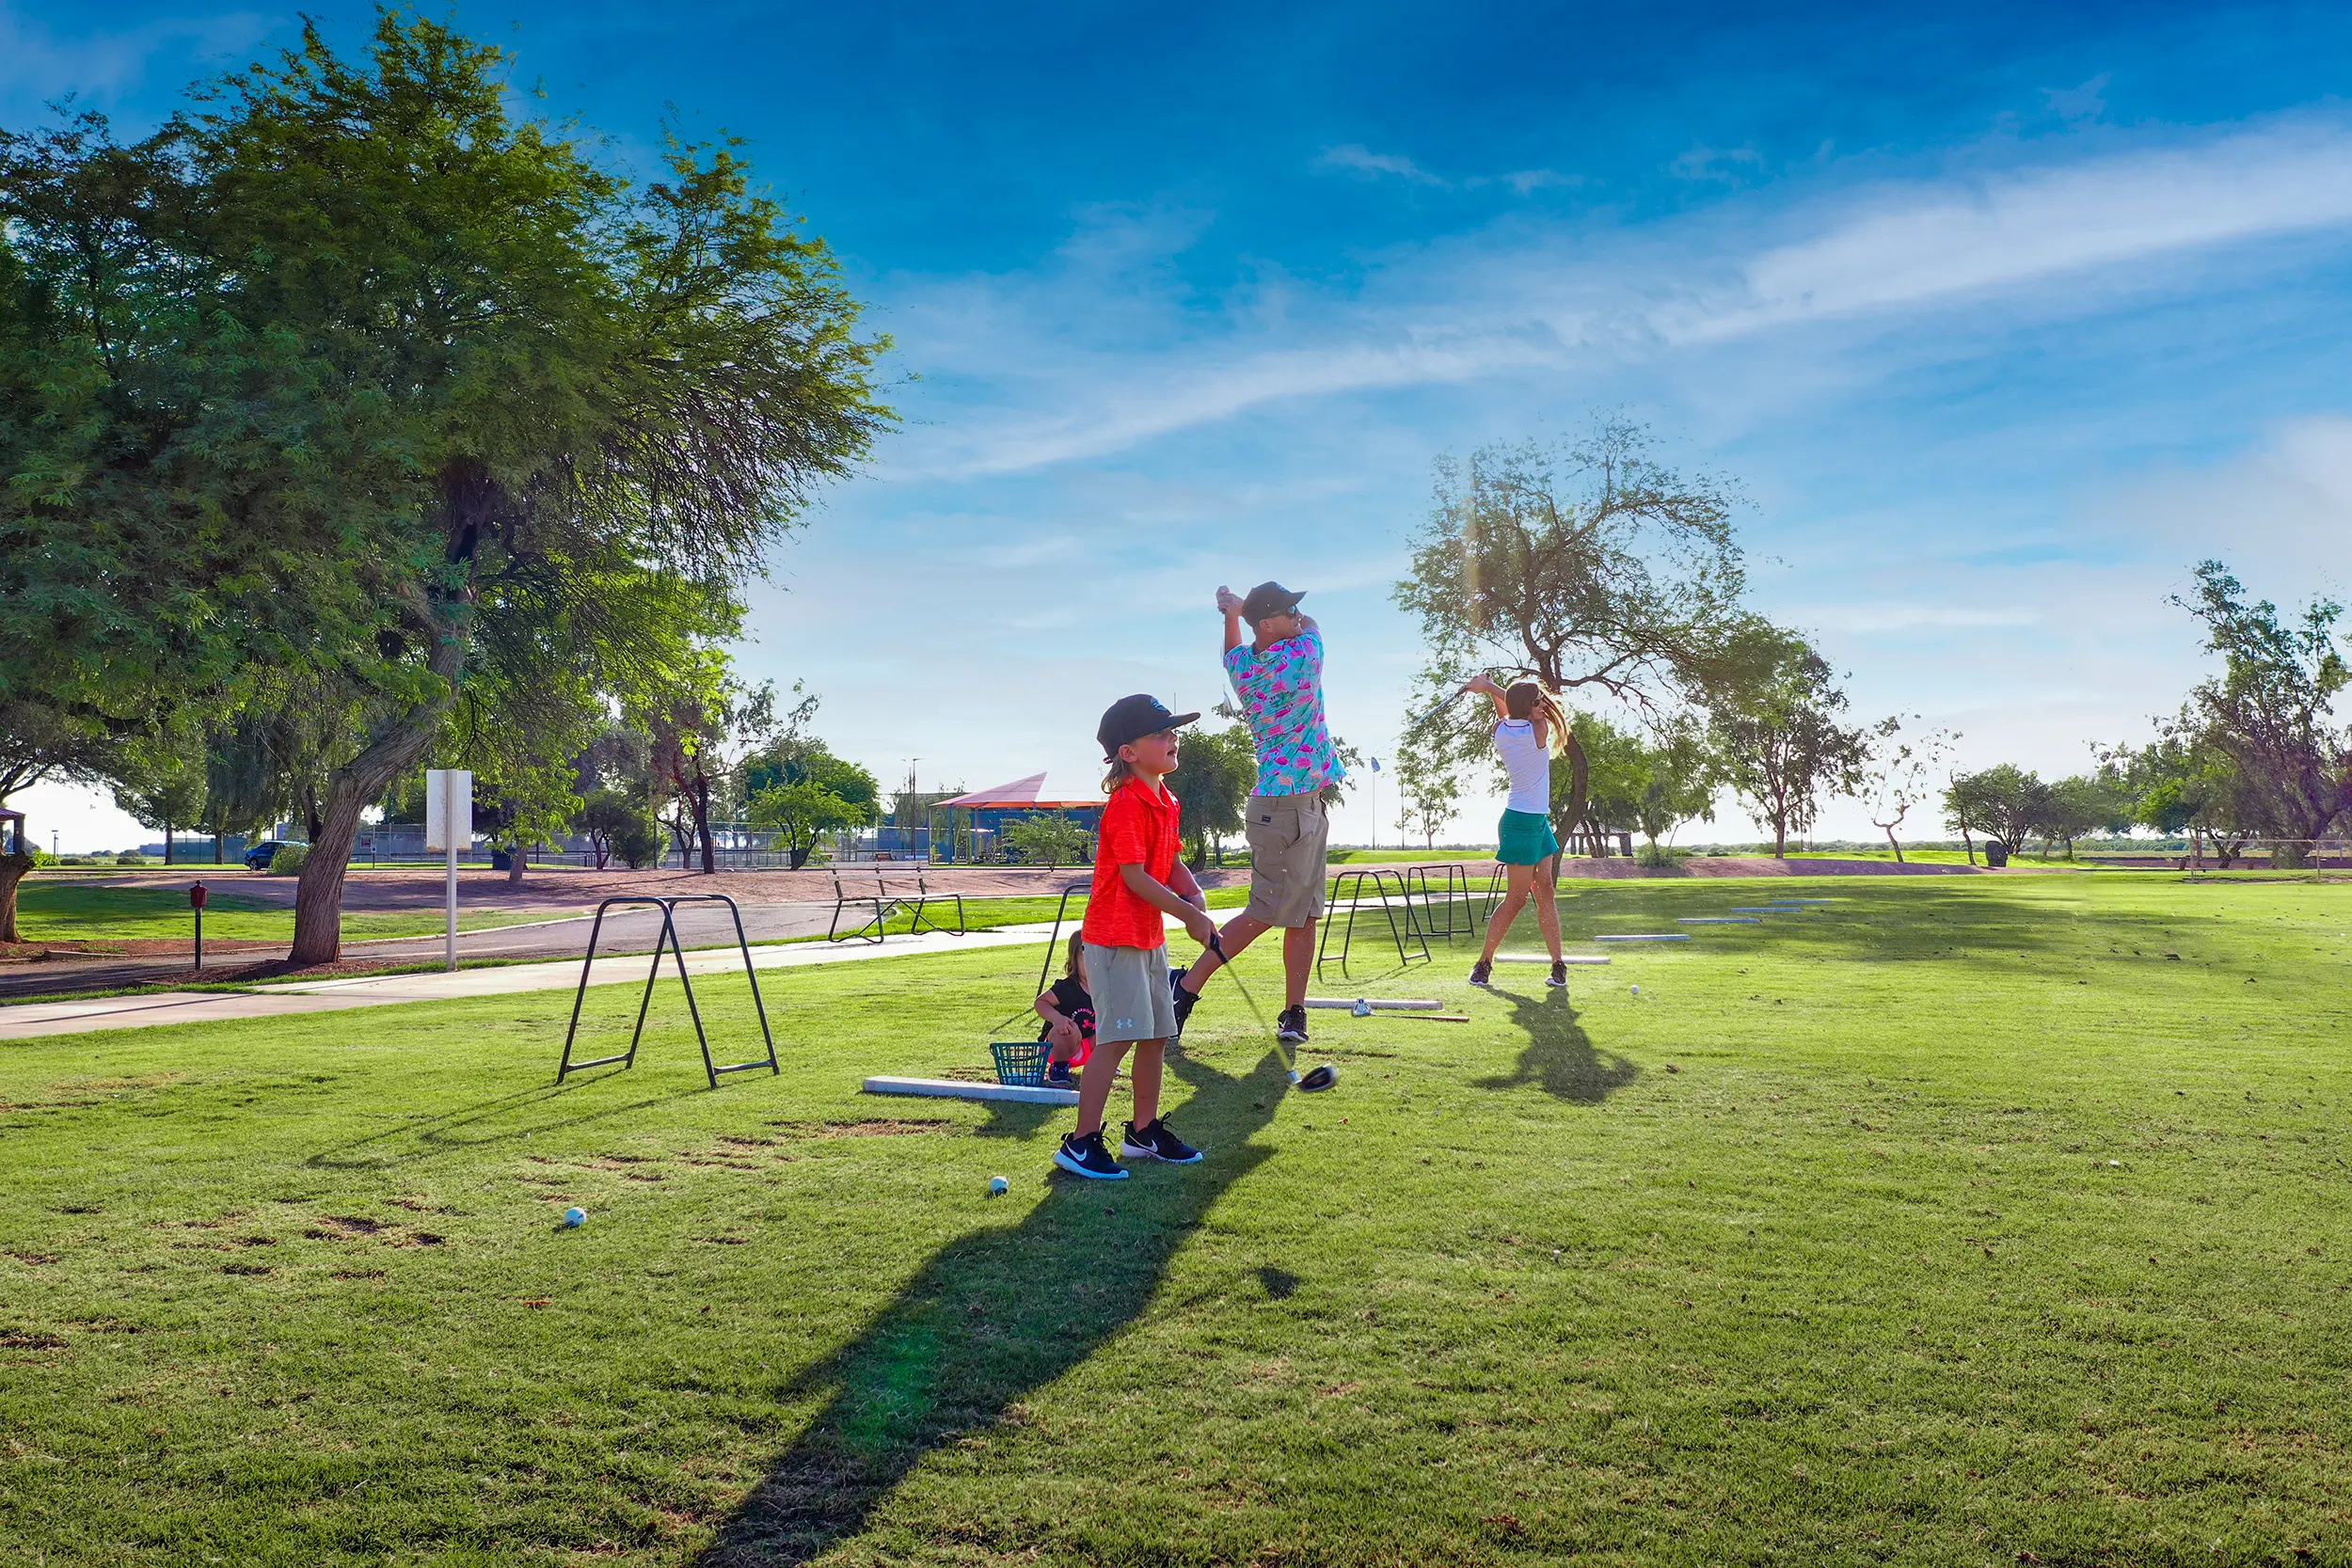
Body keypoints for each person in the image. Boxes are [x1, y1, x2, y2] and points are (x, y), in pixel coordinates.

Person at [1171, 581, 1344, 1049]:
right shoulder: (1303, 654)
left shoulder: (1244, 670)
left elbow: (1231, 650)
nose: (1297, 614)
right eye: (1288, 610)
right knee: (1266, 911)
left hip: (1295, 806)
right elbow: (1314, 625)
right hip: (1284, 809)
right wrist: (1240, 609)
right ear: (1269, 624)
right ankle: (1185, 988)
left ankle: (1294, 1011)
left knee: (1304, 914)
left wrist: (1232, 613)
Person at [1054, 694, 1219, 1181]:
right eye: (1161, 733)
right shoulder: (1126, 804)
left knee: (1156, 1037)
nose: (1173, 739)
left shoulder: (1165, 800)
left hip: (1147, 939)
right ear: (1128, 752)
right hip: (1113, 940)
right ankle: (1081, 1142)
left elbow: (1166, 862)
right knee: (1117, 1040)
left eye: (1173, 732)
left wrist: (1192, 893)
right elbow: (1134, 877)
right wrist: (1188, 914)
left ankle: (1143, 1131)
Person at [1462, 674, 1569, 989]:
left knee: (1546, 890)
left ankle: (1558, 965)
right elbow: (1515, 709)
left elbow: (1506, 713)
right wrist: (1491, 688)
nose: (1543, 706)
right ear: (1529, 708)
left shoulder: (1502, 729)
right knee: (1517, 899)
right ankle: (1483, 964)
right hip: (1520, 822)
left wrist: (1488, 687)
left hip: (1537, 822)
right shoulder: (1538, 730)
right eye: (1537, 702)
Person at [1035, 933, 1094, 1088]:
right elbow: (1041, 1002)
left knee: (1113, 1029)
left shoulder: (1106, 991)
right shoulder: (1067, 987)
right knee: (1068, 1028)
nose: (1095, 964)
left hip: (1089, 1046)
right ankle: (1058, 1068)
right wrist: (1056, 1018)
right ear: (1075, 960)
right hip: (1058, 1047)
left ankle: (1103, 1064)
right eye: (1088, 959)